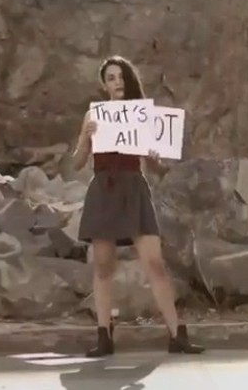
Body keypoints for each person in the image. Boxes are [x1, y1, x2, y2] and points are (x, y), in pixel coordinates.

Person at [71, 55, 205, 357]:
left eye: (121, 77)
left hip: (134, 189)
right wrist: (85, 137)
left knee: (154, 262)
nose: (117, 82)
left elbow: (159, 168)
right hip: (104, 190)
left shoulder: (141, 115)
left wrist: (156, 158)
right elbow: (78, 162)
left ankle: (176, 334)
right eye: (111, 78)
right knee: (103, 265)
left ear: (128, 80)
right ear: (104, 85)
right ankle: (104, 335)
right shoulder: (94, 116)